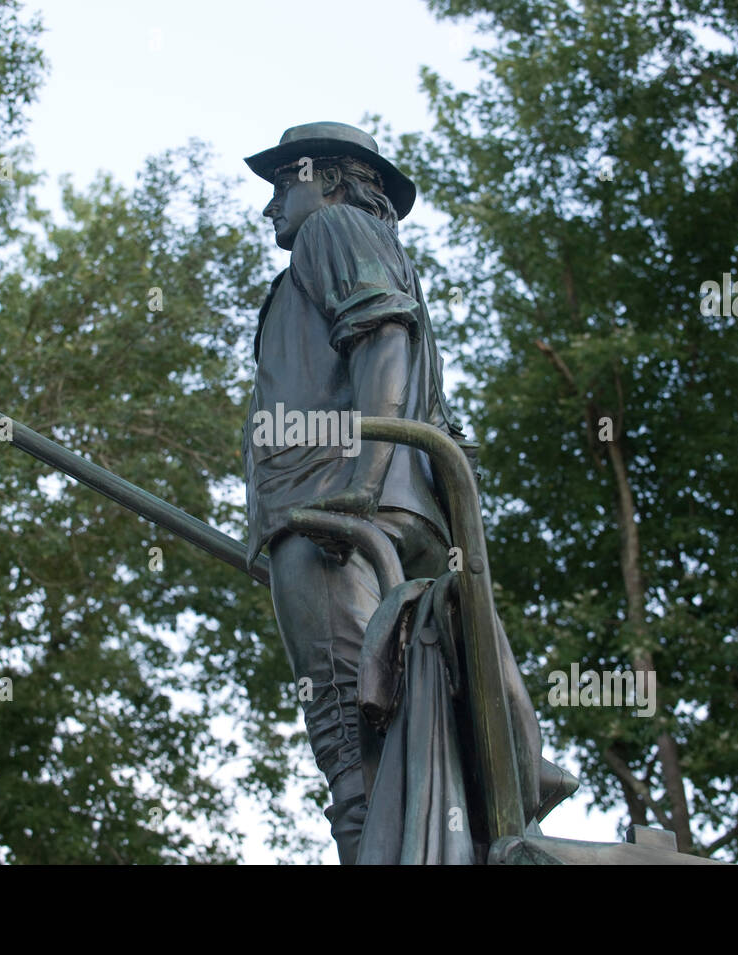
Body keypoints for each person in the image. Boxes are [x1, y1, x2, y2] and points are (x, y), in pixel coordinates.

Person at [242, 122, 470, 864]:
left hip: (333, 508)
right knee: (405, 724)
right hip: (373, 508)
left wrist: (357, 488)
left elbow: (382, 340)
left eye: (285, 183)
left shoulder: (331, 229)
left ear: (331, 180)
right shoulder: (360, 245)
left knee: (349, 736)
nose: (271, 205)